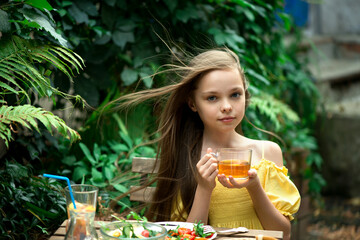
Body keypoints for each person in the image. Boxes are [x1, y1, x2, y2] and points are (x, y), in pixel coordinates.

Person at [114, 48, 301, 240]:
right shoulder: (187, 157)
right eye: (212, 98)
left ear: (245, 95)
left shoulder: (266, 152)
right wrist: (204, 188)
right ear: (193, 104)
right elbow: (186, 236)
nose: (227, 106)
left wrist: (255, 188)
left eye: (235, 94)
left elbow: (283, 234)